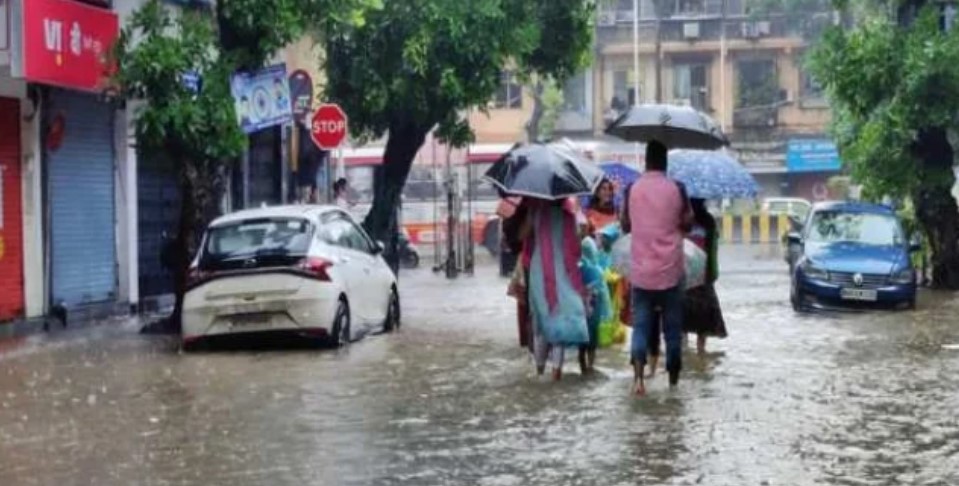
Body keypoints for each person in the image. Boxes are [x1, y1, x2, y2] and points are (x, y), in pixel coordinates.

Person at [628, 140, 693, 395]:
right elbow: (688, 223)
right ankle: (674, 384)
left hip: (641, 272)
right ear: (666, 162)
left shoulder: (633, 189)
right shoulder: (677, 188)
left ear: (646, 160)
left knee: (641, 326)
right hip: (671, 270)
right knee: (673, 330)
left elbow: (625, 224)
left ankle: (638, 381)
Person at [524, 198, 590, 381]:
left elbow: (525, 240)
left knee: (541, 324)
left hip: (538, 272)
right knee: (559, 322)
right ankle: (556, 374)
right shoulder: (568, 217)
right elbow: (575, 250)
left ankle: (539, 373)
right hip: (562, 272)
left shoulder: (535, 213)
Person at [684, 198, 728, 356]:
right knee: (700, 314)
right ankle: (699, 352)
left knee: (688, 314)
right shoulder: (704, 221)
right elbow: (713, 251)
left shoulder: (685, 219)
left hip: (691, 274)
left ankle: (689, 352)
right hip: (697, 274)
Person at [578, 237, 612, 374]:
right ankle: (590, 367)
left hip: (580, 313)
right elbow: (603, 294)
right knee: (592, 341)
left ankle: (583, 368)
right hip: (593, 312)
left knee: (581, 343)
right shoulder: (597, 270)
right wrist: (606, 313)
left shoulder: (577, 268)